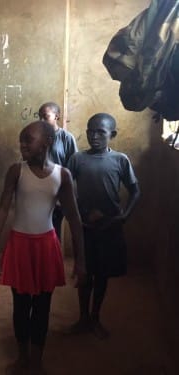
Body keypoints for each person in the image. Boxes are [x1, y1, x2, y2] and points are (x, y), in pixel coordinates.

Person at [0, 121, 85, 372]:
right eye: (21, 140)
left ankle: (36, 360)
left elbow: (74, 218)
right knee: (21, 306)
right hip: (19, 244)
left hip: (45, 246)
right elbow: (2, 210)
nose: (22, 145)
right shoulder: (16, 171)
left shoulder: (62, 175)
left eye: (27, 140)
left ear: (47, 142)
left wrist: (81, 260)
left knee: (42, 307)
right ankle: (22, 356)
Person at [67, 113, 140, 339]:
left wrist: (124, 216)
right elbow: (67, 191)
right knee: (84, 273)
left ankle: (95, 317)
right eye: (90, 131)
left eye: (101, 132)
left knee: (103, 275)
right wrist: (77, 215)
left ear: (113, 135)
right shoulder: (77, 159)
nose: (94, 136)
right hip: (86, 227)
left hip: (109, 227)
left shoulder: (120, 160)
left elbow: (135, 191)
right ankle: (83, 318)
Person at [38, 102, 78, 240]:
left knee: (54, 230)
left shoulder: (66, 138)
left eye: (45, 116)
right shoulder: (38, 138)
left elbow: (72, 166)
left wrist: (64, 193)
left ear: (57, 116)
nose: (42, 120)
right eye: (40, 117)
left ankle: (53, 259)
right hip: (40, 189)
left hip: (58, 190)